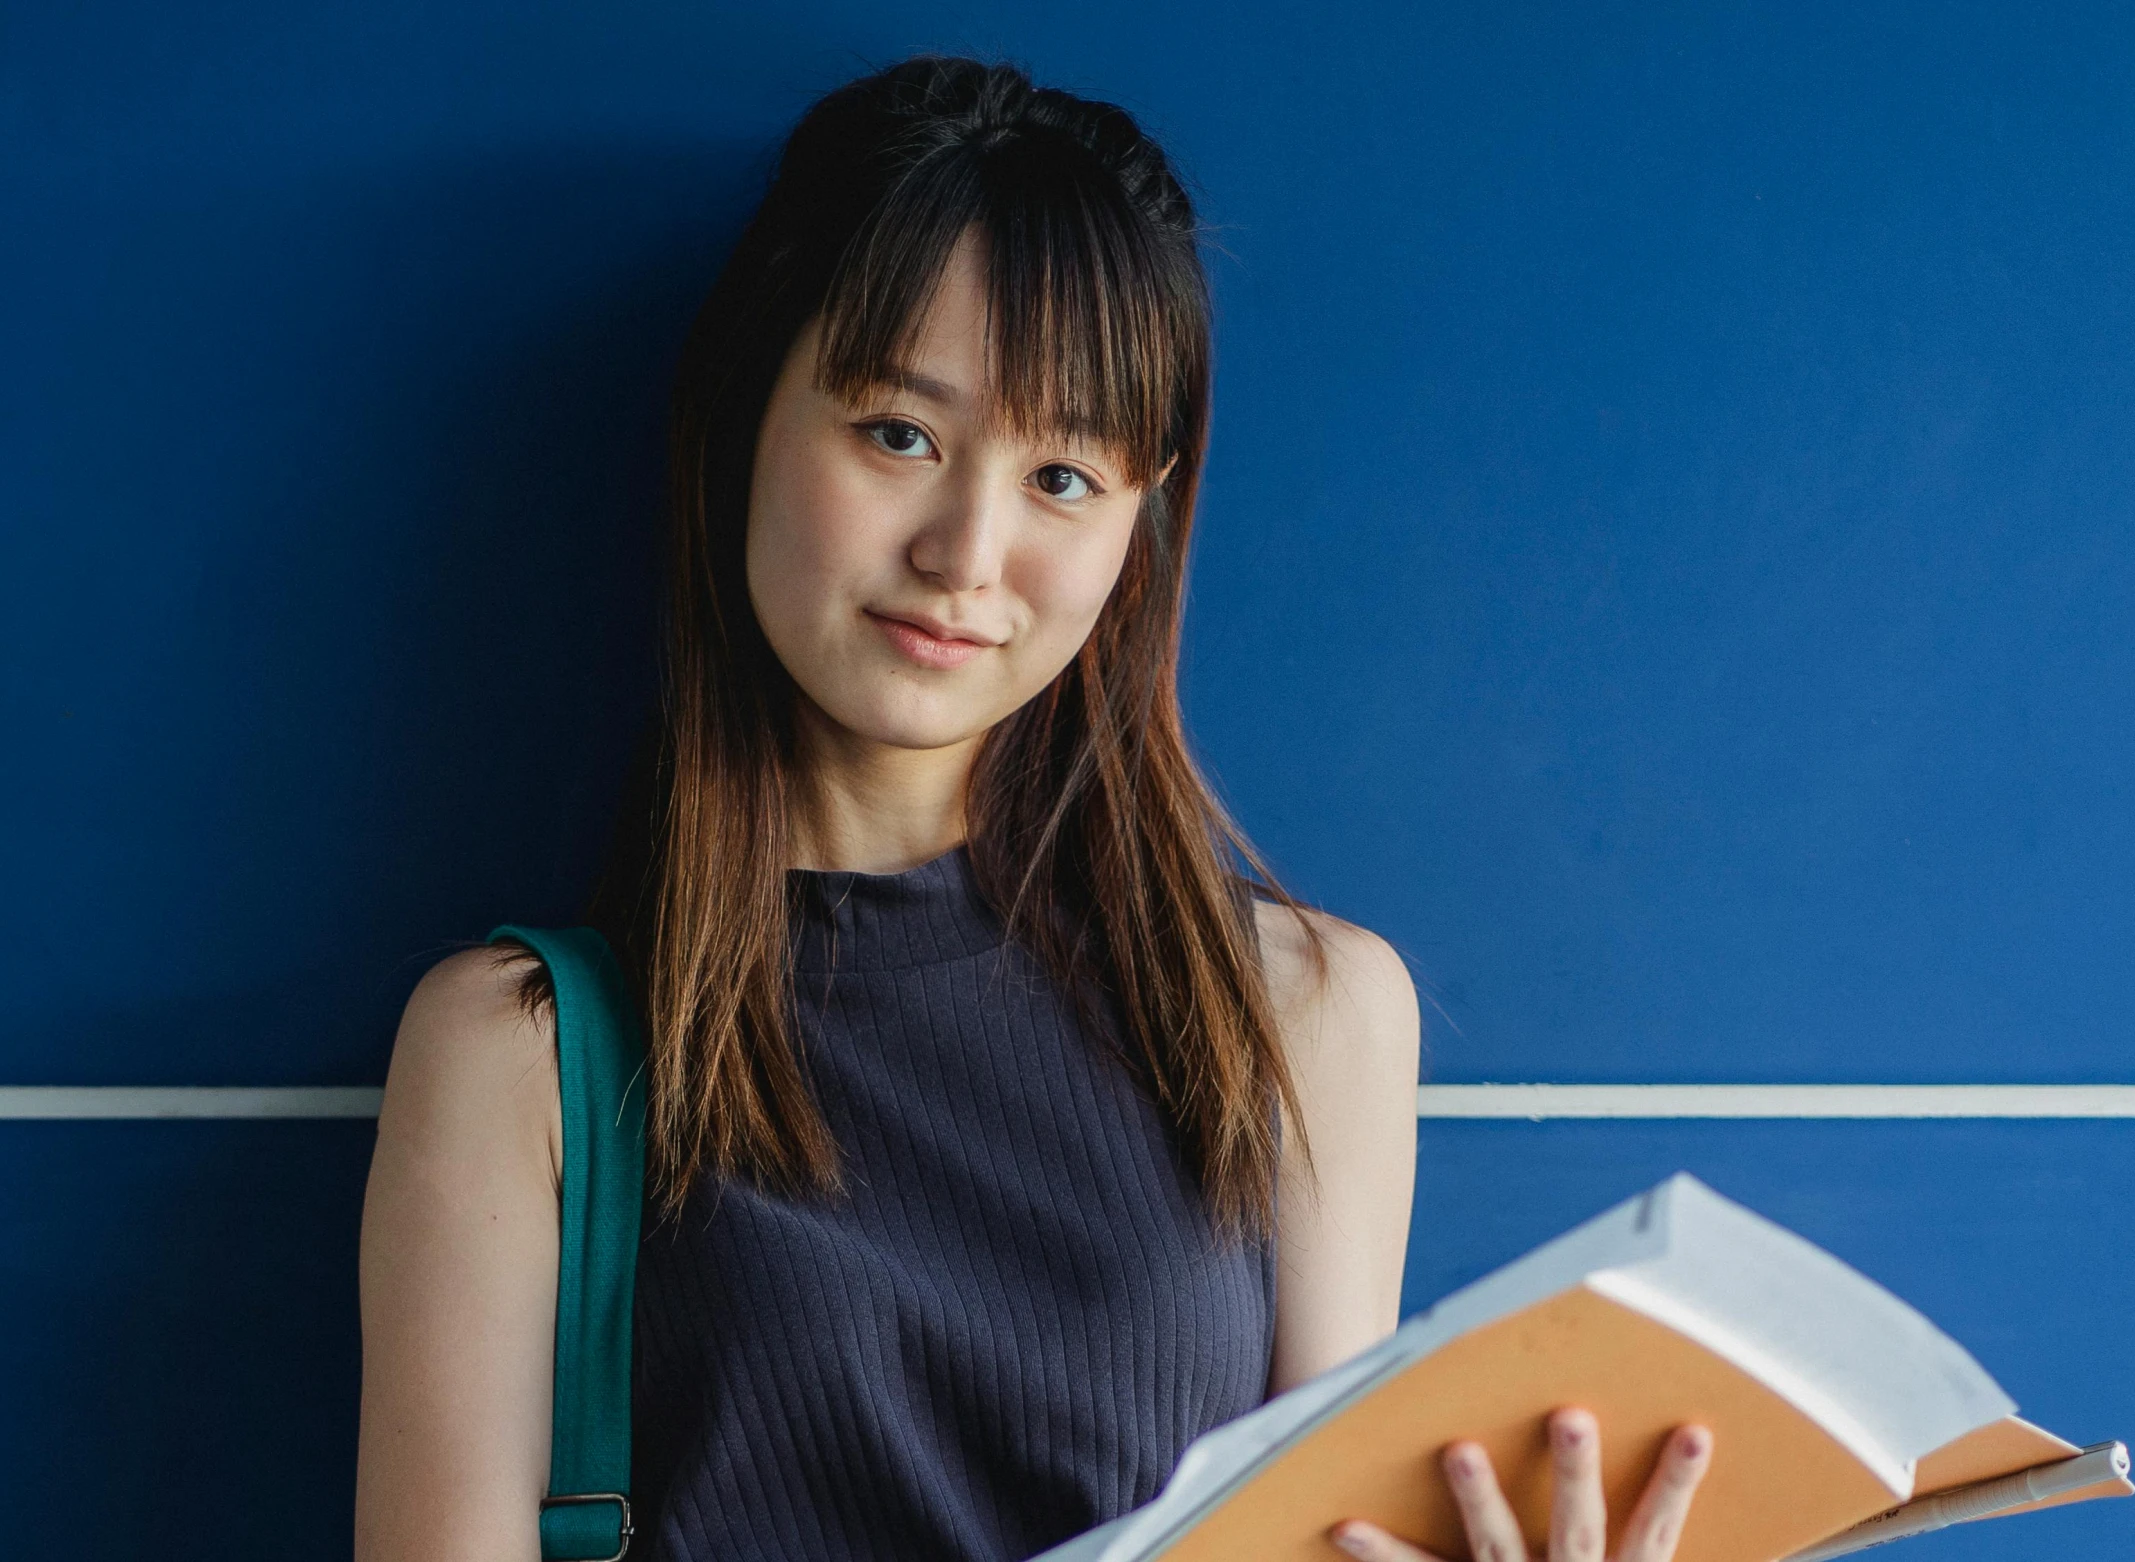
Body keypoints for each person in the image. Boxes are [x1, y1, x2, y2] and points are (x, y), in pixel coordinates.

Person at [354, 52, 1711, 1562]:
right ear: (740, 417)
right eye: (897, 435)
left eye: (1064, 474)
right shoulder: (521, 1055)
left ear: (1143, 517)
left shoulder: (1300, 1013)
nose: (965, 549)